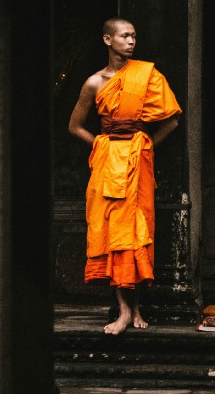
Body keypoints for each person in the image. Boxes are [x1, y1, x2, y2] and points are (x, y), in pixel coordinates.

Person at [68, 17, 182, 334]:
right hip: (108, 165)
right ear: (108, 40)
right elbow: (74, 126)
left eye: (134, 36)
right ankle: (123, 310)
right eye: (125, 36)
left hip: (137, 161)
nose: (131, 42)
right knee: (113, 234)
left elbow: (172, 121)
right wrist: (101, 145)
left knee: (137, 232)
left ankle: (136, 308)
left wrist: (146, 145)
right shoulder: (94, 82)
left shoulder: (147, 75)